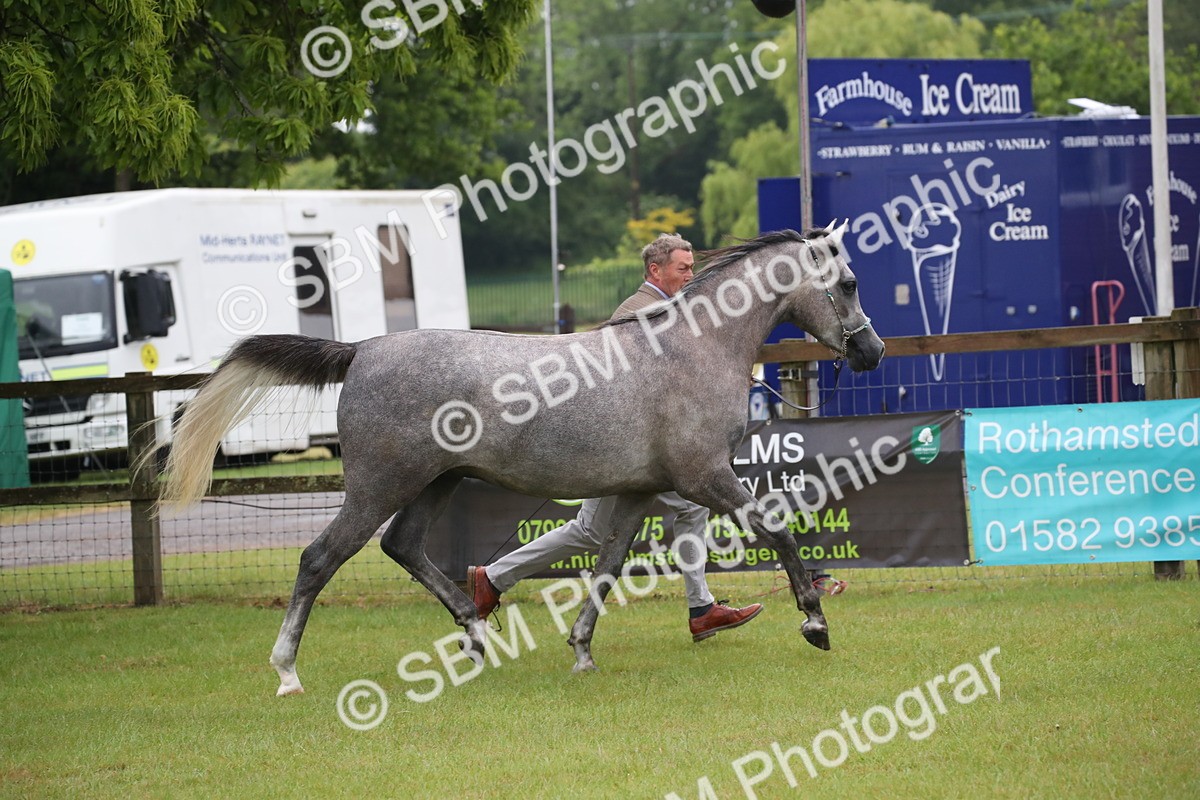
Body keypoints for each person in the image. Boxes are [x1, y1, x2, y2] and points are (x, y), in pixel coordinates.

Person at [467, 234, 764, 642]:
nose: (691, 275)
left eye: (693, 267)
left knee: (679, 510)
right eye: (683, 268)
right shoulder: (641, 312)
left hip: (644, 450)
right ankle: (494, 578)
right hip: (619, 449)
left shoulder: (671, 310)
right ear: (655, 270)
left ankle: (701, 607)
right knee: (604, 527)